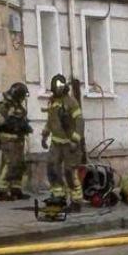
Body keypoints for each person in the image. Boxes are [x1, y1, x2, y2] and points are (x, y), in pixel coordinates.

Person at [0, 82, 32, 200]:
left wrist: (24, 126)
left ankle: (16, 189)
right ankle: (2, 190)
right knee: (9, 164)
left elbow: (22, 119)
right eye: (22, 96)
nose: (23, 99)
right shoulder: (4, 105)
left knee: (19, 164)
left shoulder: (19, 107)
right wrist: (8, 124)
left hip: (19, 139)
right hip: (8, 139)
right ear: (17, 95)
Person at [43, 74, 83, 206]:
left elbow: (79, 122)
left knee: (69, 171)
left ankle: (76, 199)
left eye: (59, 87)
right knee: (52, 167)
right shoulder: (53, 102)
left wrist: (75, 140)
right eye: (55, 87)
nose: (57, 90)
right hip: (56, 143)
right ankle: (59, 195)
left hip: (69, 143)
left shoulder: (71, 102)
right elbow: (50, 121)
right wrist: (45, 135)